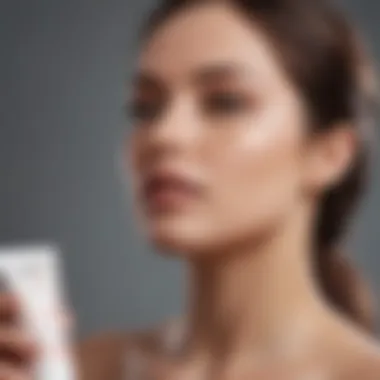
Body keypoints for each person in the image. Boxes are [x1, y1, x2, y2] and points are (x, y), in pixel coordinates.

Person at [1, 0, 380, 378]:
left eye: (225, 102)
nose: (164, 134)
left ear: (330, 154)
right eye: (145, 108)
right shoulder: (82, 369)